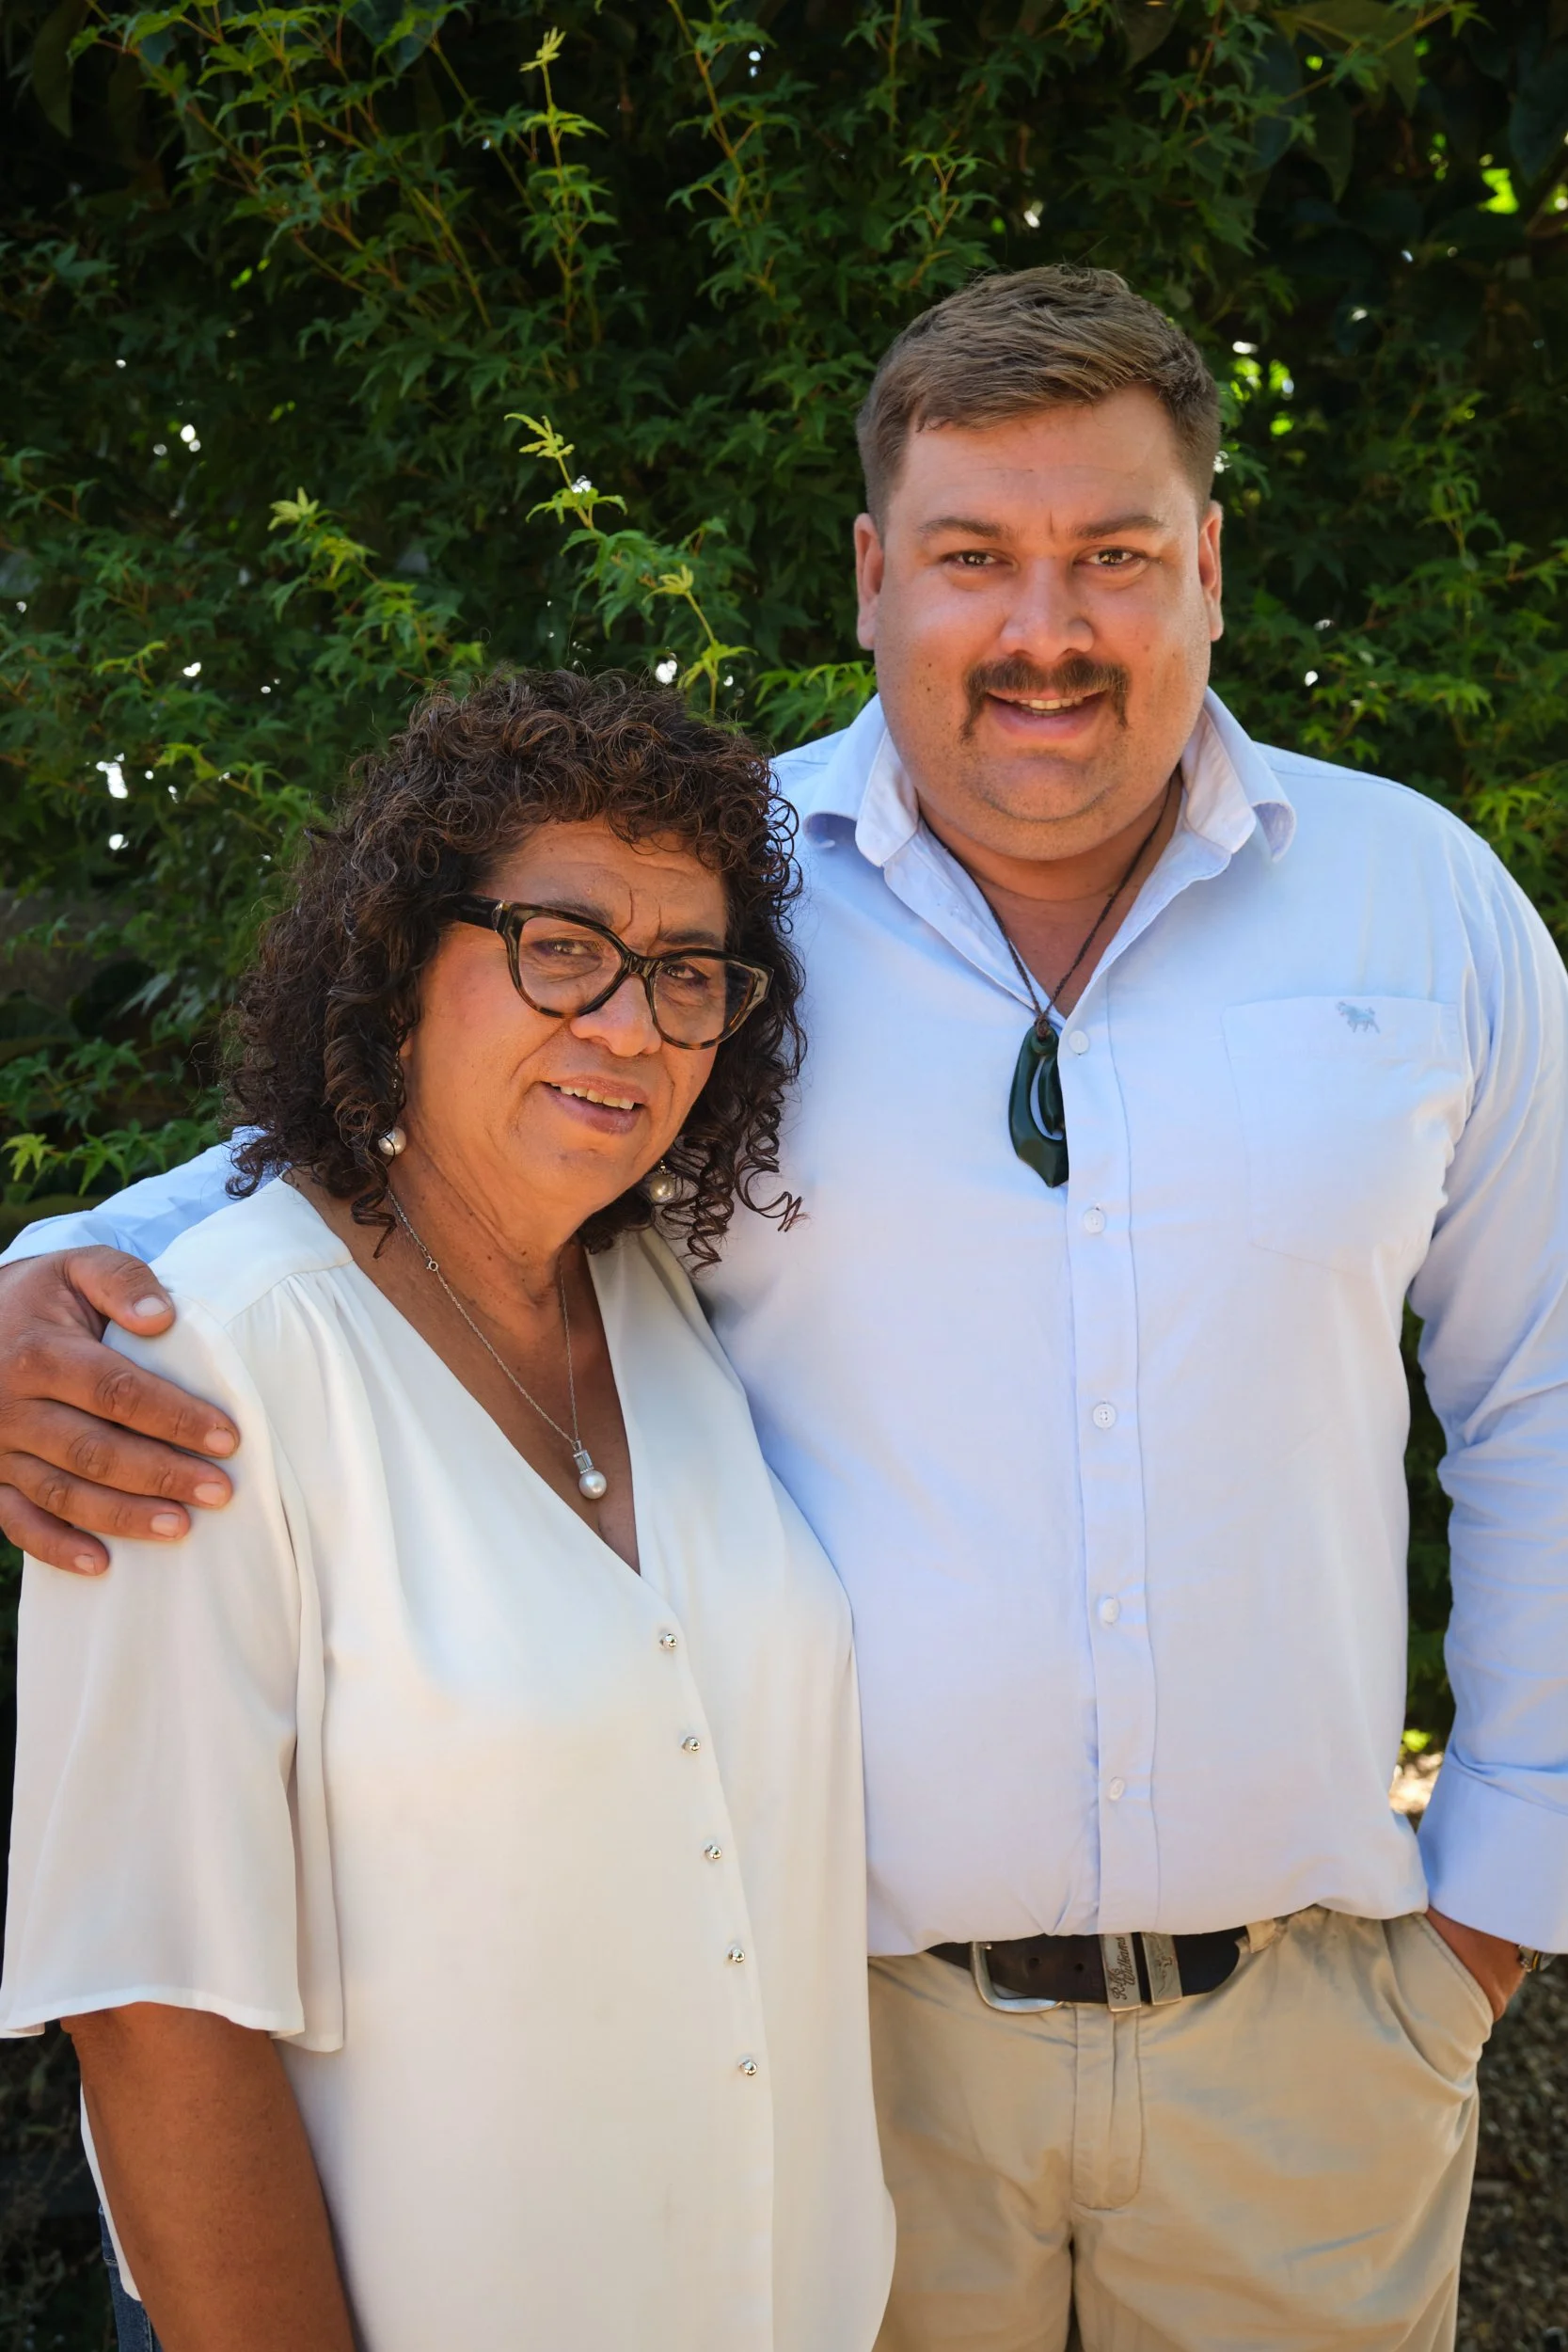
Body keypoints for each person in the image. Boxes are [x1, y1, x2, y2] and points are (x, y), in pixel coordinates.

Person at [3, 265, 1566, 2351]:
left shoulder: (1422, 905)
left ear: (1205, 562)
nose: (1042, 628)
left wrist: (1481, 1931)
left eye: (1109, 553)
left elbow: (1542, 1394)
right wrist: (31, 1273)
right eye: (968, 557)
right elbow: (389, 1139)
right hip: (842, 2053)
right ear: (866, 577)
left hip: (1308, 2048)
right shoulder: (724, 907)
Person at [0, 670, 894, 2352]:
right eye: (559, 947)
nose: (627, 1024)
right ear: (403, 963)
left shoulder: (673, 1323)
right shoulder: (211, 1364)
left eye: (685, 976)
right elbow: (151, 2005)